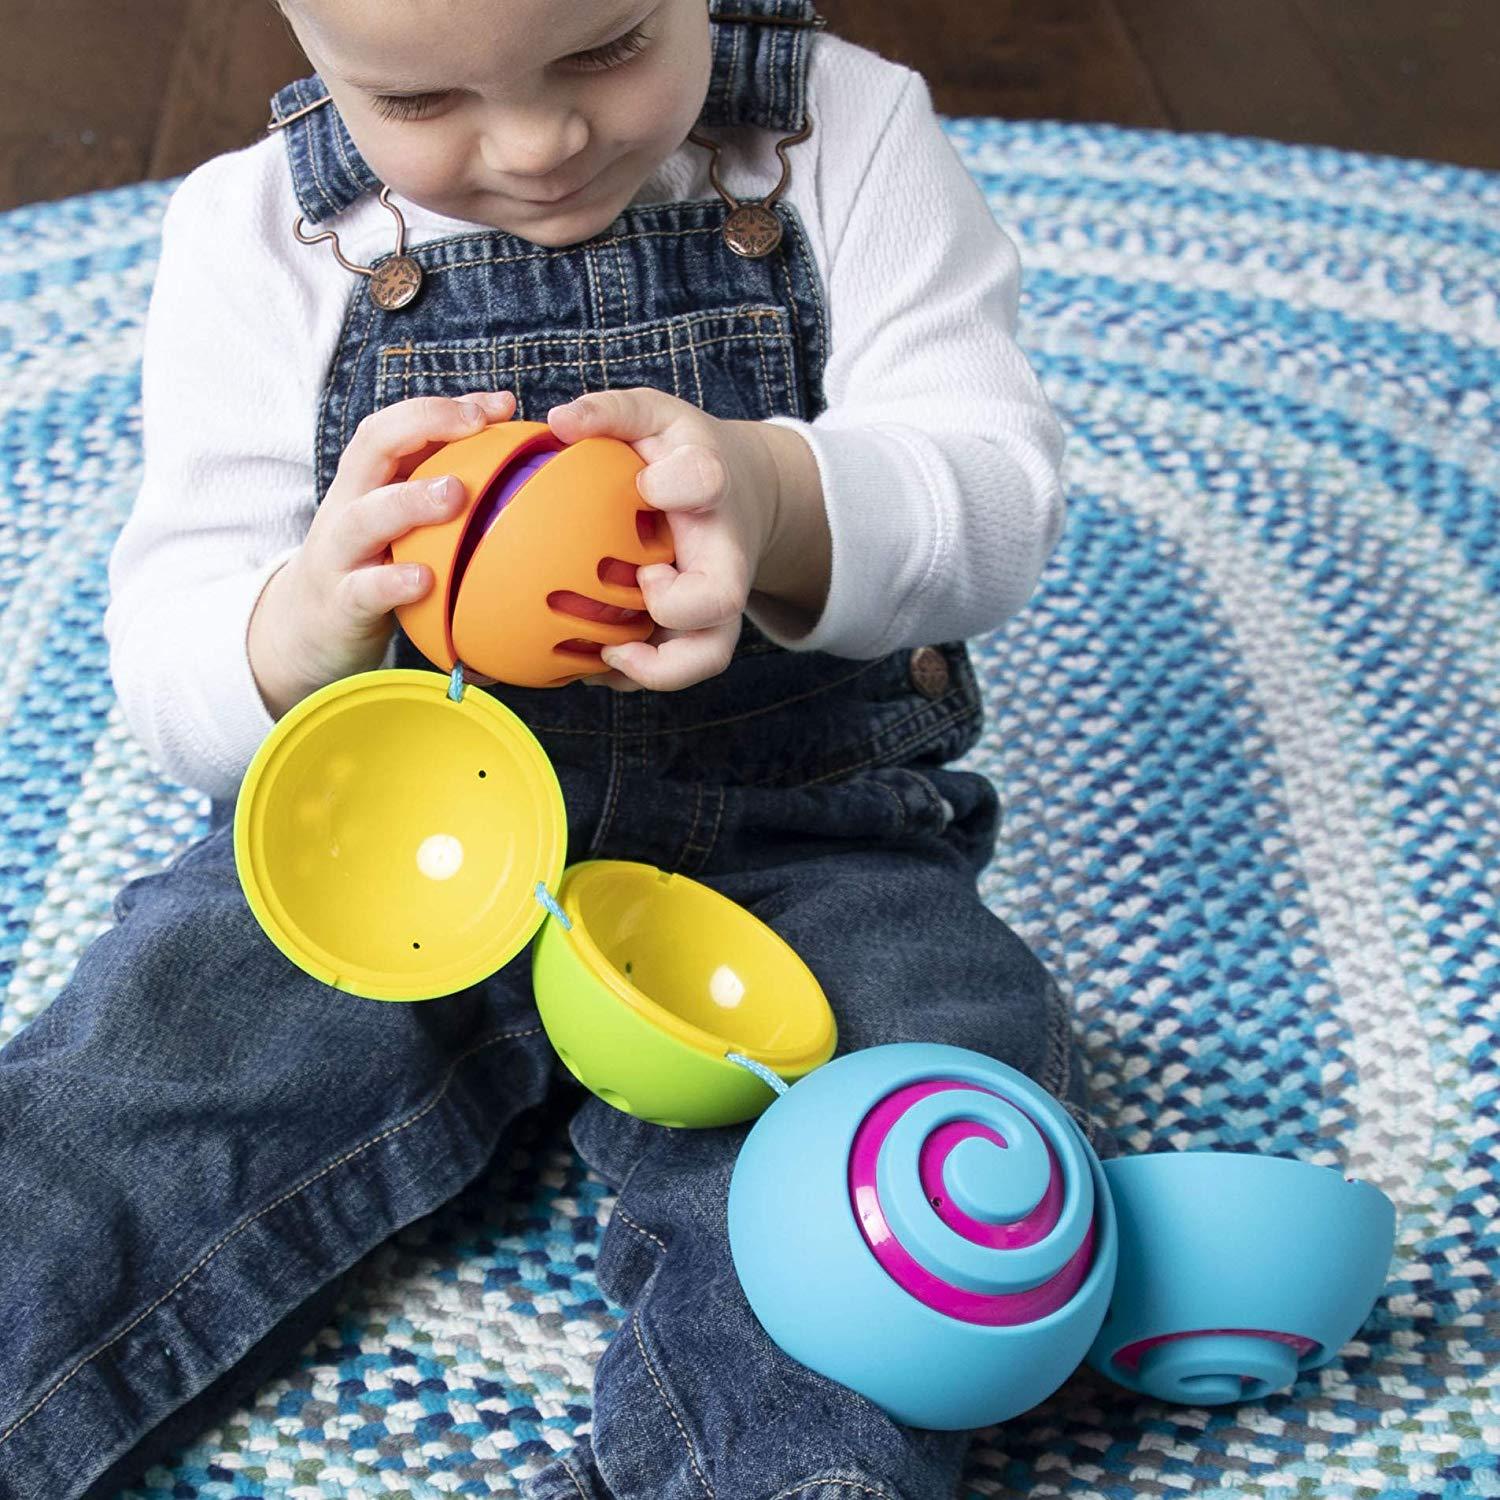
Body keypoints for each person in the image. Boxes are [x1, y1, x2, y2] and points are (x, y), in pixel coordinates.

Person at [0, 1, 1117, 1495]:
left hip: (803, 832)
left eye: (603, 51)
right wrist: (311, 612)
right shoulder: (261, 235)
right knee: (144, 1076)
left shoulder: (843, 137)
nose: (534, 145)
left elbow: (995, 499)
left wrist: (775, 495)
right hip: (390, 842)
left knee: (905, 1152)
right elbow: (169, 670)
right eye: (416, 100)